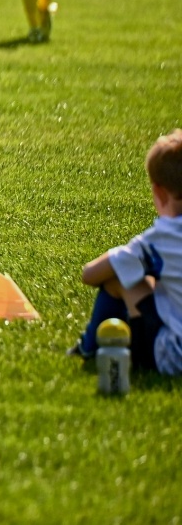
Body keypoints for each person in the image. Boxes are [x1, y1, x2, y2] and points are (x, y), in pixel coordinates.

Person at [71, 129, 182, 374]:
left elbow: (90, 274)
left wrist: (128, 261)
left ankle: (89, 347)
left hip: (174, 356)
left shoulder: (160, 239)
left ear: (159, 192)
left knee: (120, 277)